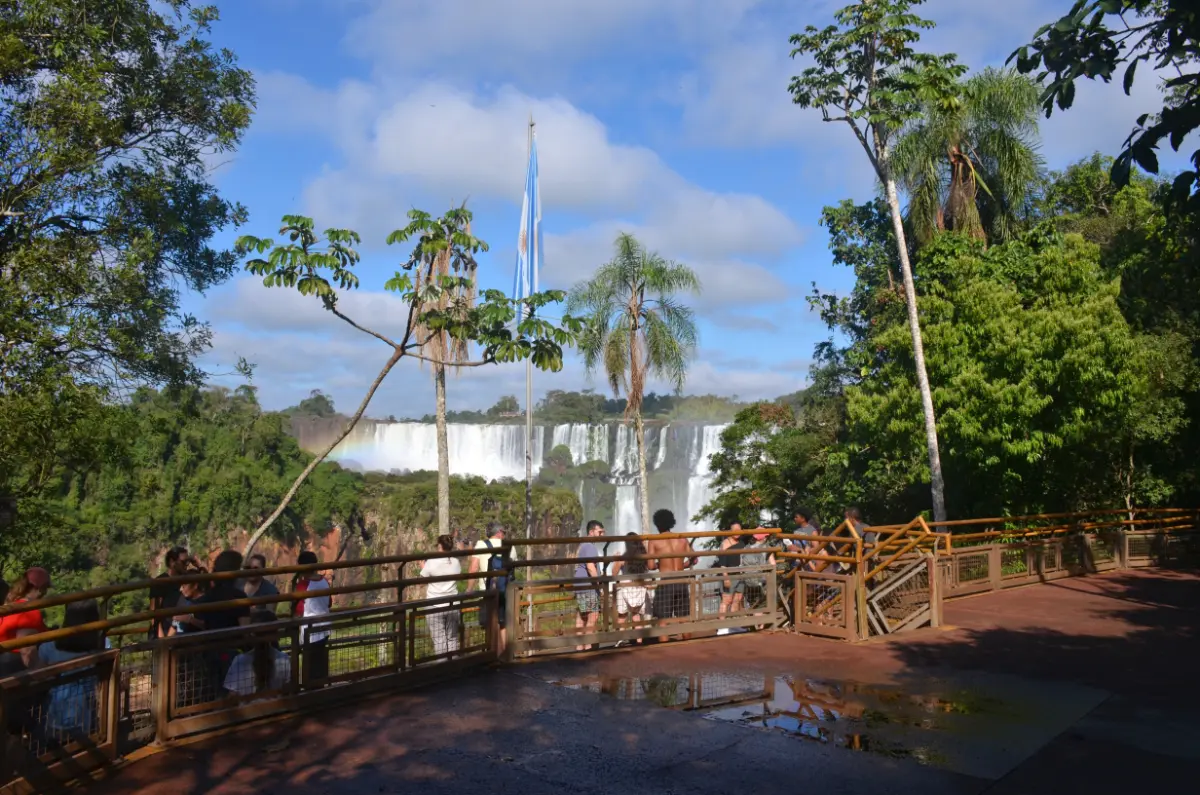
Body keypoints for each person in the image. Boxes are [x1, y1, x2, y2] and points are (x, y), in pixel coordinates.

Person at [34, 599, 110, 738]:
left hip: (54, 709)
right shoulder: (102, 644)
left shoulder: (50, 646)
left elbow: (39, 677)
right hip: (87, 707)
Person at [646, 509, 693, 637]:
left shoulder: (653, 540)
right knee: (684, 618)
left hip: (665, 583)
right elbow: (694, 559)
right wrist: (681, 565)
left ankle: (663, 650)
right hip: (681, 581)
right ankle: (688, 646)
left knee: (663, 620)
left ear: (657, 524)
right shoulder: (682, 539)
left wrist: (660, 564)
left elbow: (650, 566)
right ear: (672, 522)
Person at [223, 611, 290, 697]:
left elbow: (232, 696)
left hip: (248, 709)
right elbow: (287, 691)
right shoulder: (284, 659)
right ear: (275, 633)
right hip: (277, 709)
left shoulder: (240, 661)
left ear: (251, 634)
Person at [0, 567, 52, 675]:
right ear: (41, 588)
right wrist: (47, 673)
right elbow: (27, 653)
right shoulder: (29, 612)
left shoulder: (12, 604)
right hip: (13, 668)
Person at [420, 535, 462, 657]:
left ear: (439, 546)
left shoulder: (432, 561)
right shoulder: (455, 561)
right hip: (453, 603)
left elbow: (424, 577)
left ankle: (442, 668)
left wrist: (423, 567)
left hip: (435, 604)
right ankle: (454, 666)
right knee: (452, 638)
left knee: (439, 640)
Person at [294, 550, 331, 683]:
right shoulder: (324, 581)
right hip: (325, 627)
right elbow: (329, 602)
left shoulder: (303, 585)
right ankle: (321, 687)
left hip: (309, 630)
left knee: (309, 666)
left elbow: (298, 610)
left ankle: (310, 691)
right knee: (321, 662)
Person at [469, 523, 508, 652]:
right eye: (504, 532)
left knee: (489, 624)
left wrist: (469, 589)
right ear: (499, 533)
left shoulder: (481, 544)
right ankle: (503, 653)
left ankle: (492, 653)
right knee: (502, 624)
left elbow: (474, 568)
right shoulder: (509, 546)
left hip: (487, 592)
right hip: (505, 591)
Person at [150, 547, 195, 639]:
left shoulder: (187, 579)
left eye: (188, 562)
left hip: (182, 631)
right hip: (165, 631)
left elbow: (208, 585)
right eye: (183, 562)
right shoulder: (161, 582)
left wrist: (198, 564)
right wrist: (161, 638)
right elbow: (153, 611)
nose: (186, 565)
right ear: (172, 562)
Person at [610, 533, 649, 640]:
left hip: (625, 589)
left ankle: (620, 640)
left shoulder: (623, 558)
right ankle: (639, 640)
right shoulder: (644, 557)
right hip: (639, 590)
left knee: (622, 616)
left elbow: (614, 573)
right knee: (636, 616)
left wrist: (615, 560)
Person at [573, 521, 605, 650]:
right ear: (591, 532)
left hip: (580, 583)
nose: (602, 535)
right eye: (600, 532)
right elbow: (591, 567)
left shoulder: (583, 545)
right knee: (593, 615)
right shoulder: (590, 547)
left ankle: (579, 647)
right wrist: (599, 585)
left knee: (582, 615)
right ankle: (587, 646)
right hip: (588, 585)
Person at [716, 526, 746, 615]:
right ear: (729, 530)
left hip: (740, 575)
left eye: (739, 529)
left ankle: (733, 625)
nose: (737, 531)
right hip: (729, 575)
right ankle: (722, 626)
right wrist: (726, 577)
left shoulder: (741, 543)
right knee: (726, 600)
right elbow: (722, 563)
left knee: (737, 599)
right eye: (734, 529)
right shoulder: (724, 544)